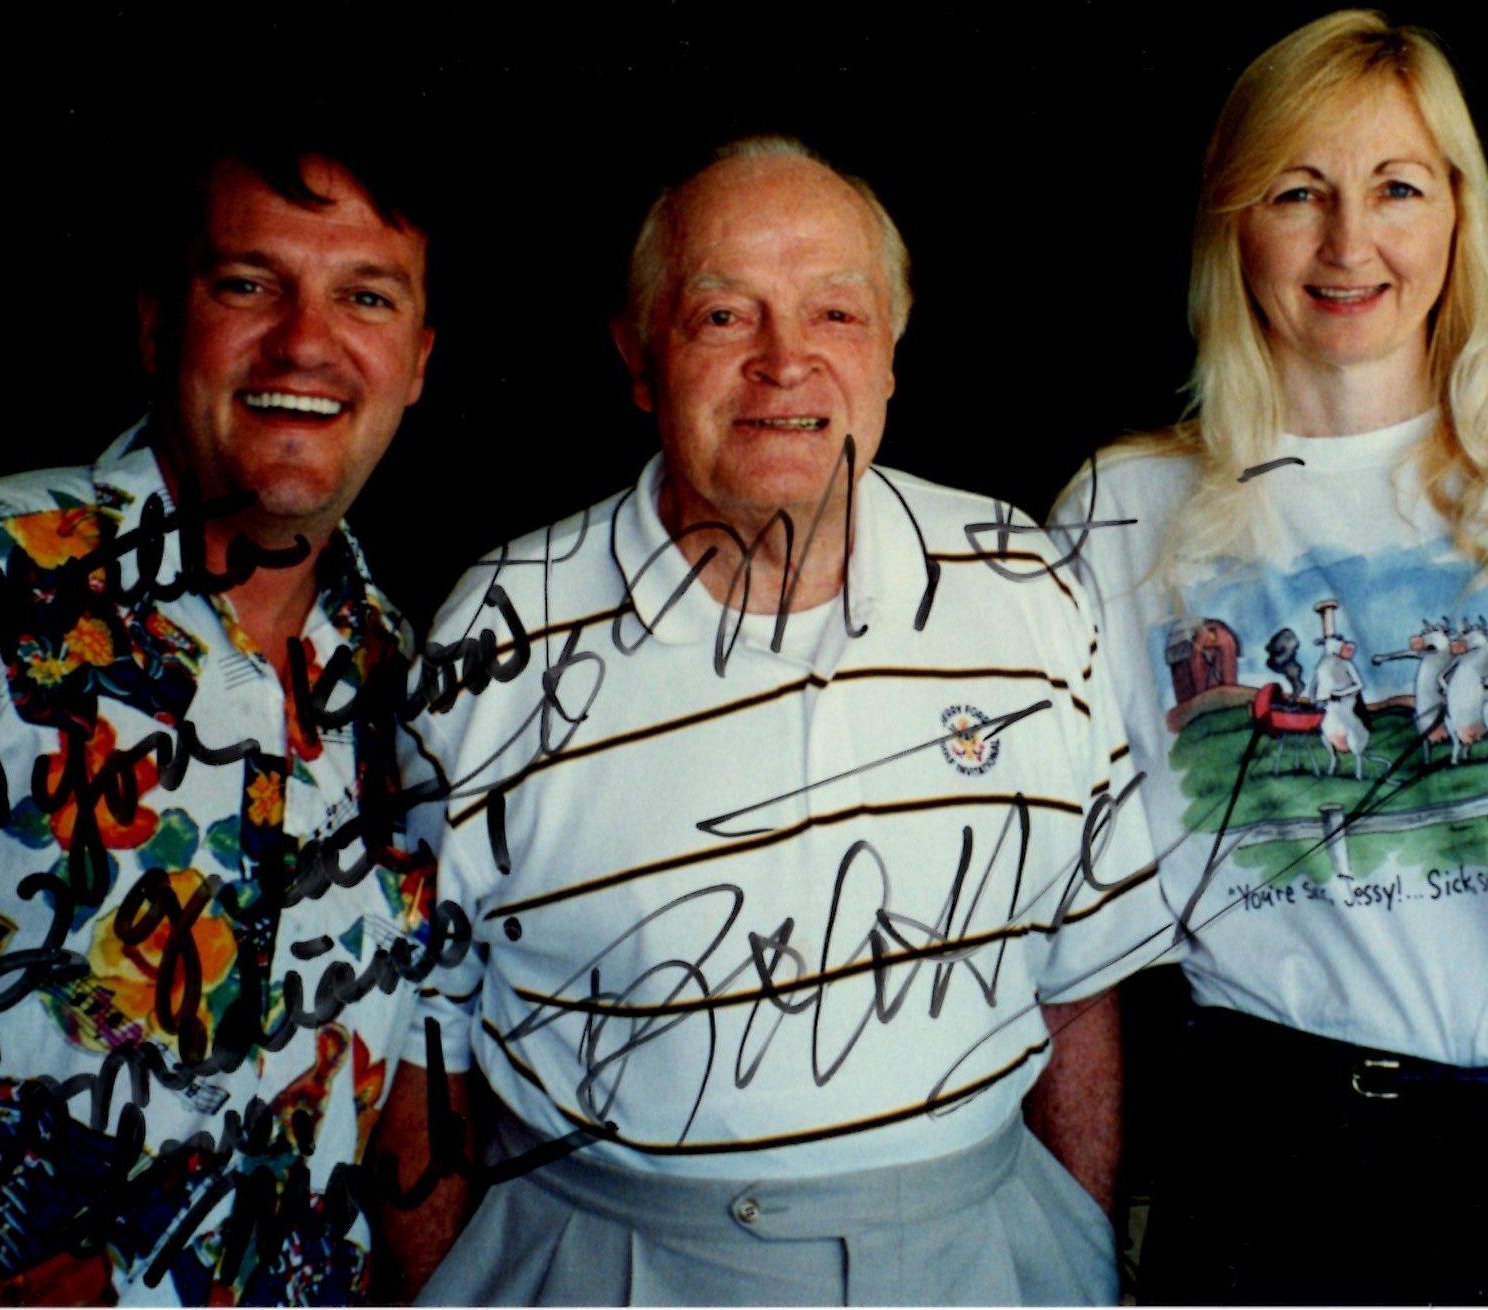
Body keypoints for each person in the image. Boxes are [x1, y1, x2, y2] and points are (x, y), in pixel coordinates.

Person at [393, 136, 1170, 1305]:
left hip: (982, 1256)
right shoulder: (498, 633)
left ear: (893, 353)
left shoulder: (1024, 583)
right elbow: (423, 1050)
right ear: (640, 355)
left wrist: (1076, 1252)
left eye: (836, 315)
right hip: (607, 1262)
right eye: (721, 316)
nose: (784, 362)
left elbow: (1078, 984)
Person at [0, 137, 440, 1304]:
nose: (305, 341)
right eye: (248, 284)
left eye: (366, 297)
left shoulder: (415, 689)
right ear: (156, 325)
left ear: (418, 362)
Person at [1049, 11, 1488, 1304]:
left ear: (1457, 213)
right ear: (1234, 224)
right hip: (1267, 1159)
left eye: (1395, 188)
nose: (1348, 243)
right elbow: (1058, 931)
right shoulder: (1119, 514)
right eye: (1296, 192)